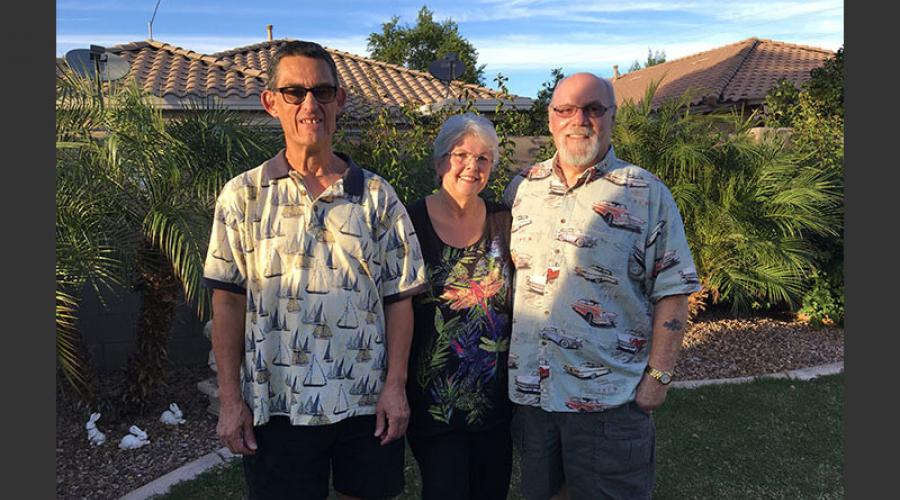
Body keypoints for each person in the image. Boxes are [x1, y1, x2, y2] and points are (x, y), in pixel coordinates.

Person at [202, 40, 428, 500]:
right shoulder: (242, 197)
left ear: (339, 101)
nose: (310, 104)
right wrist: (230, 401)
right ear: (271, 102)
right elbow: (227, 301)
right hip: (276, 404)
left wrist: (395, 388)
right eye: (294, 92)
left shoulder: (377, 198)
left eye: (323, 92)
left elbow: (399, 299)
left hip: (365, 402)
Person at [503, 73, 701, 500]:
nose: (580, 120)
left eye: (594, 109)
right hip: (533, 398)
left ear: (612, 117)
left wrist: (659, 377)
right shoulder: (522, 188)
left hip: (611, 401)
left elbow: (674, 289)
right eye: (566, 110)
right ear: (551, 119)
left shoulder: (646, 193)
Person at [404, 113, 514, 500]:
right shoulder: (410, 221)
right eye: (461, 154)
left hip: (495, 400)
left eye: (483, 158)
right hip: (434, 400)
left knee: (491, 492)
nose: (472, 166)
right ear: (439, 162)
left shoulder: (504, 219)